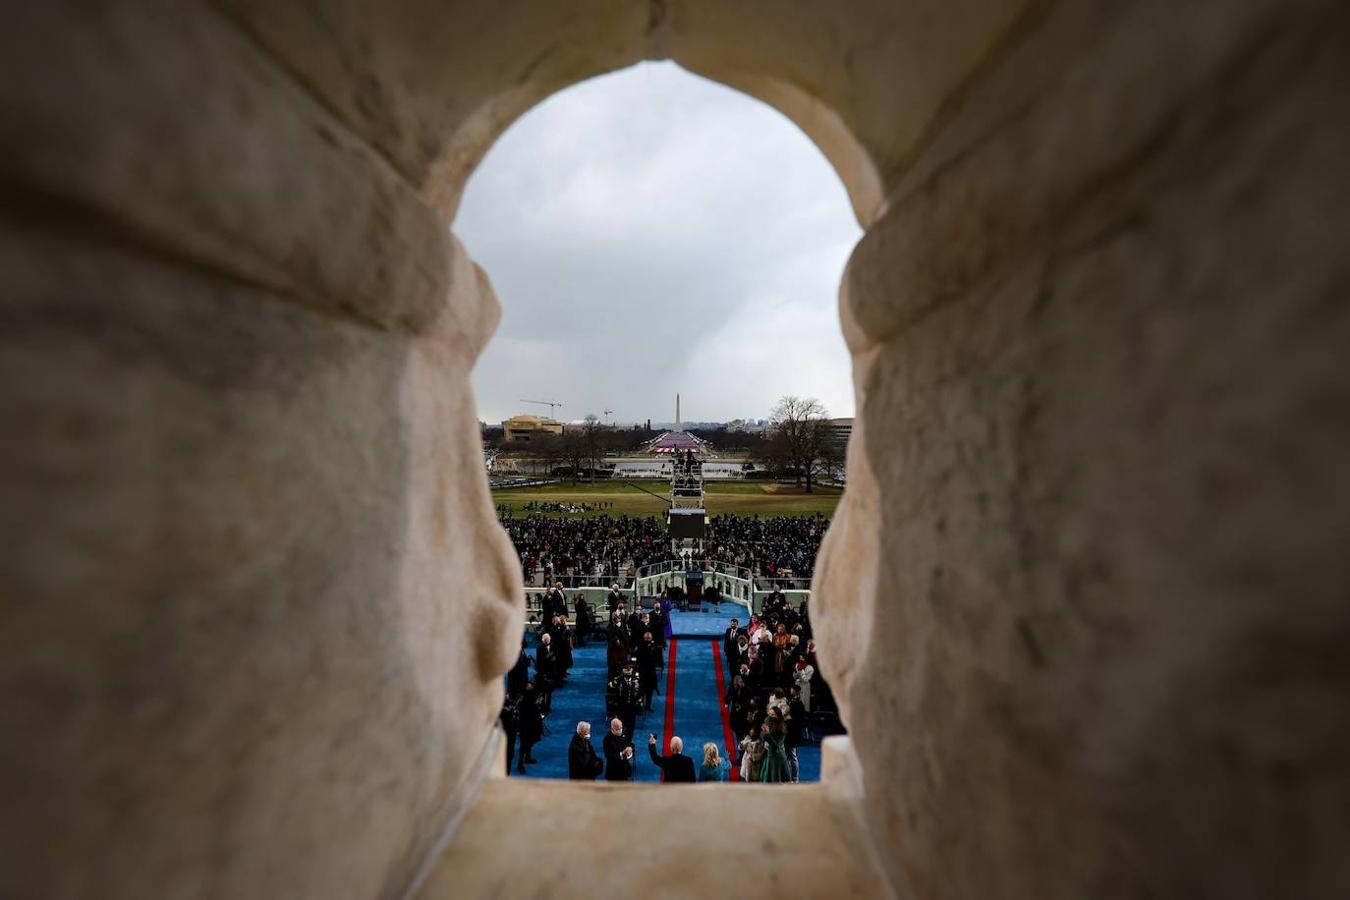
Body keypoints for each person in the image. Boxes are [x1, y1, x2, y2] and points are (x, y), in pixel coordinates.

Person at [760, 711, 791, 783]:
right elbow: (763, 736)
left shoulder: (782, 728)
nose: (770, 716)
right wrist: (764, 732)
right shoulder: (769, 723)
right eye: (769, 714)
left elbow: (776, 746)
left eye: (772, 714)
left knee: (776, 781)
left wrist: (767, 734)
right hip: (769, 757)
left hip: (777, 759)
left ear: (778, 716)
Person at [634, 631, 661, 711]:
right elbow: (638, 658)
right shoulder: (642, 646)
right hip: (644, 671)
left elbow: (656, 656)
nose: (648, 639)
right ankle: (639, 706)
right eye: (647, 638)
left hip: (649, 671)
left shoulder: (652, 646)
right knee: (642, 690)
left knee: (649, 691)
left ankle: (647, 706)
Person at [786, 686, 807, 782]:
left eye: (792, 689)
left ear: (795, 691)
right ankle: (787, 776)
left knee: (792, 755)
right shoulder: (792, 700)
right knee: (787, 756)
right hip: (789, 732)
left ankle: (795, 777)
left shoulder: (799, 704)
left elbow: (799, 720)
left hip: (793, 733)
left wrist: (789, 718)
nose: (790, 690)